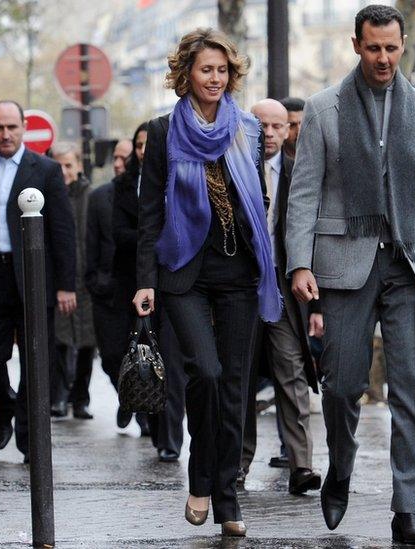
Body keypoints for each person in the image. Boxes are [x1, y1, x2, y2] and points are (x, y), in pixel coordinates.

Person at [285, 5, 415, 544]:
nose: (384, 58)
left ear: (403, 45)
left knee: (412, 389)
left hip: (409, 262)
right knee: (342, 388)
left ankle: (409, 509)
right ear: (356, 45)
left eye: (392, 48)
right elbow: (304, 192)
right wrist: (299, 261)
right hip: (345, 262)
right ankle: (340, 467)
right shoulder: (323, 108)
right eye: (374, 48)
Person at [134, 28, 279, 537]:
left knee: (236, 386)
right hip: (184, 271)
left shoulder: (248, 129)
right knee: (208, 373)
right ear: (187, 76)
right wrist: (144, 280)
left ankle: (227, 494)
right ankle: (201, 474)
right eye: (205, 70)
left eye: (221, 70)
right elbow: (149, 212)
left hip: (240, 273)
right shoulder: (161, 132)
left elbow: (257, 202)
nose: (214, 78)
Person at [0, 100, 76, 462]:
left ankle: (28, 434)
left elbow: (63, 231)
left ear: (23, 127)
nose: (5, 135)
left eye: (12, 127)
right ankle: (5, 407)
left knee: (37, 360)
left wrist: (66, 284)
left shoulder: (47, 171)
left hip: (35, 276)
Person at [239, 99, 321, 495]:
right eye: (262, 126)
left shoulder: (300, 175)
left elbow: (315, 243)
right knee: (239, 380)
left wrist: (316, 307)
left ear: (289, 131)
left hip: (285, 294)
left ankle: (301, 465)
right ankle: (237, 465)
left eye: (278, 126)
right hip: (239, 292)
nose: (269, 134)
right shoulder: (231, 169)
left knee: (292, 376)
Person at [114, 122, 188, 457]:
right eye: (139, 145)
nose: (145, 151)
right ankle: (146, 417)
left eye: (149, 144)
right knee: (140, 359)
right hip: (134, 283)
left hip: (174, 279)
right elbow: (120, 234)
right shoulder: (122, 187)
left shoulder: (179, 178)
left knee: (170, 361)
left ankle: (170, 440)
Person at [49, 141, 97, 420]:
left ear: (79, 166)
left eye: (69, 165)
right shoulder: (48, 196)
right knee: (60, 340)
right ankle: (59, 396)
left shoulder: (91, 195)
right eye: (59, 165)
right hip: (60, 281)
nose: (64, 171)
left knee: (87, 343)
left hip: (88, 281)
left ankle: (81, 397)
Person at [86, 139, 130, 410]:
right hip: (106, 290)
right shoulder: (100, 196)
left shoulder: (147, 192)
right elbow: (90, 242)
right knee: (110, 355)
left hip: (136, 289)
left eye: (123, 158)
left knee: (138, 353)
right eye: (115, 157)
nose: (117, 163)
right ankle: (128, 398)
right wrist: (93, 281)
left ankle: (141, 410)